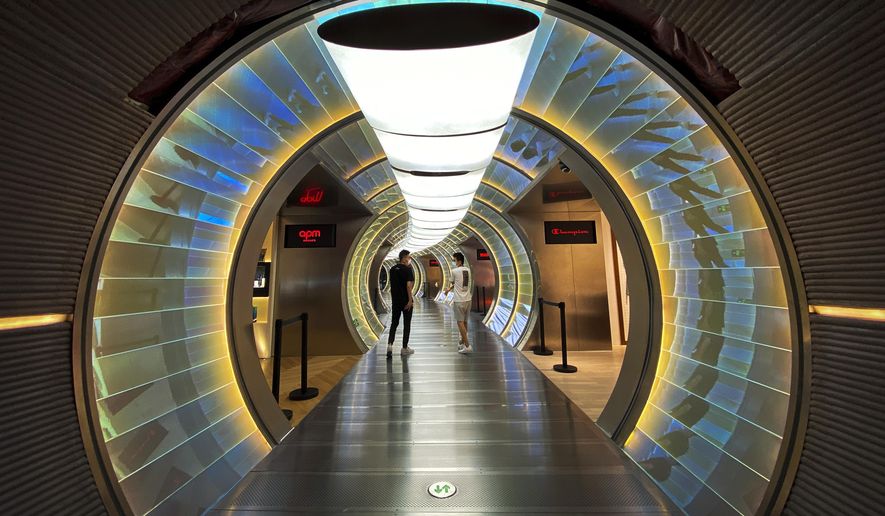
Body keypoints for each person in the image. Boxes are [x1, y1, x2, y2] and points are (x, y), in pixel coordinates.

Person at [387, 249, 415, 359]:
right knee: (406, 324)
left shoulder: (392, 269)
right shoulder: (408, 270)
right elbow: (408, 286)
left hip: (395, 301)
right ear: (404, 258)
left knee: (394, 323)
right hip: (405, 301)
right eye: (408, 257)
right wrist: (409, 300)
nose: (409, 259)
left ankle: (390, 345)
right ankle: (404, 348)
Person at [444, 252, 473, 354]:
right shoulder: (468, 270)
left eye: (454, 260)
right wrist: (449, 289)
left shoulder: (454, 271)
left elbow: (453, 281)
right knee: (465, 322)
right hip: (468, 299)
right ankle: (462, 341)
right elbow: (458, 283)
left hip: (459, 300)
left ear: (459, 261)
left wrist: (448, 289)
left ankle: (467, 345)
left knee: (460, 323)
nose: (453, 262)